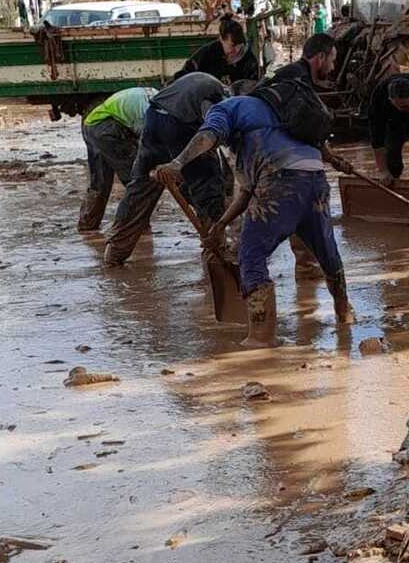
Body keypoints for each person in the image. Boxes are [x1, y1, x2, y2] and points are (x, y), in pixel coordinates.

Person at [151, 35, 352, 348]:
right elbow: (246, 194)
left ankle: (261, 338)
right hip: (314, 183)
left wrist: (177, 163)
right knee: (327, 253)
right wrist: (218, 226)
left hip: (280, 185)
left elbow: (208, 137)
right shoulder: (276, 117)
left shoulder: (227, 108)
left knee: (251, 256)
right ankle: (344, 314)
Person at [103, 70, 228, 265]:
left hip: (153, 122)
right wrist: (182, 162)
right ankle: (216, 252)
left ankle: (115, 252)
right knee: (207, 186)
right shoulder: (216, 96)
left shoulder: (198, 81)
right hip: (178, 126)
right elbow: (209, 130)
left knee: (140, 187)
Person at [77, 85, 157, 232]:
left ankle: (87, 227)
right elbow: (146, 146)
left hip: (93, 122)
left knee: (99, 179)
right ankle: (132, 226)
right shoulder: (153, 115)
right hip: (106, 128)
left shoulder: (159, 102)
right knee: (136, 177)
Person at [178, 15, 259, 89]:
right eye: (232, 46)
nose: (237, 51)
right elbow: (185, 75)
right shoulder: (208, 53)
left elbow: (253, 87)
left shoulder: (249, 60)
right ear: (221, 39)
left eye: (240, 46)